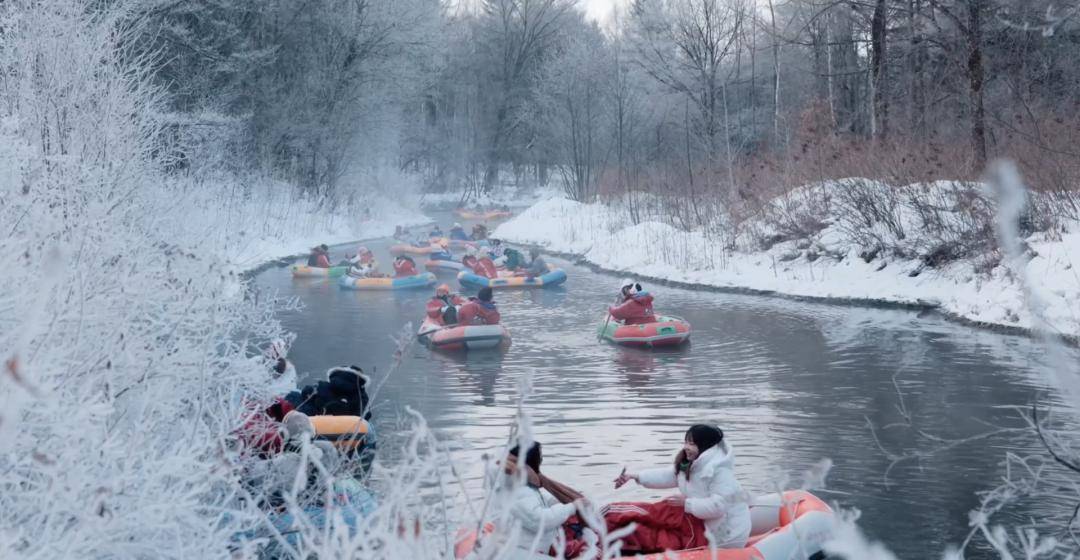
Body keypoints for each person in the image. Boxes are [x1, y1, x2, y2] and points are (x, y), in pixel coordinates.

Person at [611, 425, 751, 552]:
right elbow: (666, 475)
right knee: (665, 509)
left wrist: (687, 503)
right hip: (703, 523)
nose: (686, 447)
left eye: (691, 443)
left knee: (668, 517)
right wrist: (635, 476)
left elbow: (719, 506)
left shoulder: (719, 472)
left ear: (705, 446)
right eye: (685, 442)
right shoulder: (689, 464)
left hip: (726, 535)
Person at [497, 442, 589, 558]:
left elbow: (543, 502)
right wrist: (571, 507)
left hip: (540, 545)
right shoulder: (516, 492)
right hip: (530, 551)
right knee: (589, 550)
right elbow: (539, 521)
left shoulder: (524, 488)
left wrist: (566, 502)